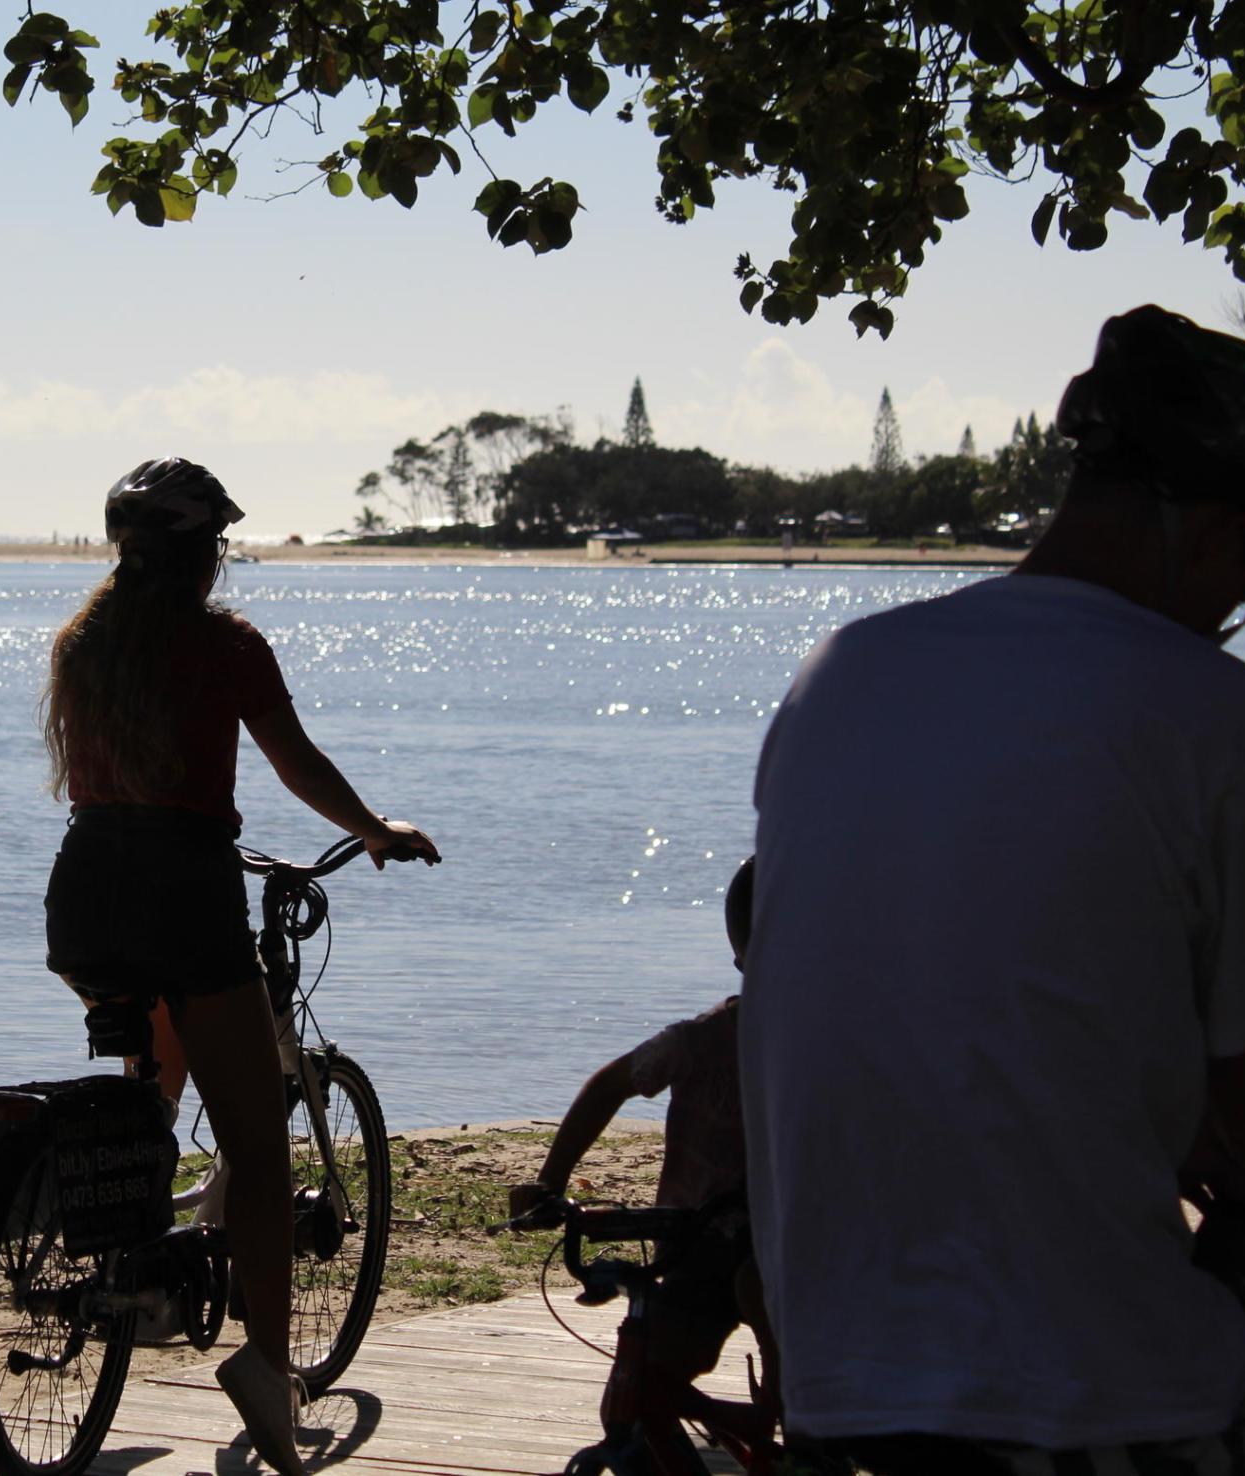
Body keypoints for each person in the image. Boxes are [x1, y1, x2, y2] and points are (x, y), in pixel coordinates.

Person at [741, 305, 1245, 1475]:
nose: (1240, 617)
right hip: (1091, 1396)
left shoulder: (846, 672)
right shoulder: (1227, 722)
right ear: (1221, 529)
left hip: (836, 1378)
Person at [42, 457, 437, 1475]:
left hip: (85, 895)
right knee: (259, 1151)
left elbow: (105, 787)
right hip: (184, 894)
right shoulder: (225, 646)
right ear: (205, 554)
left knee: (149, 1108)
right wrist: (375, 828)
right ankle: (265, 1369)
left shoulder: (82, 644)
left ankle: (129, 1260)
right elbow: (294, 761)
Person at [509, 859, 760, 1387]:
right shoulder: (699, 1042)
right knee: (651, 1375)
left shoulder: (838, 1050)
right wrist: (550, 1182)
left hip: (790, 1250)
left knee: (788, 1343)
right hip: (697, 1246)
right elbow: (607, 1085)